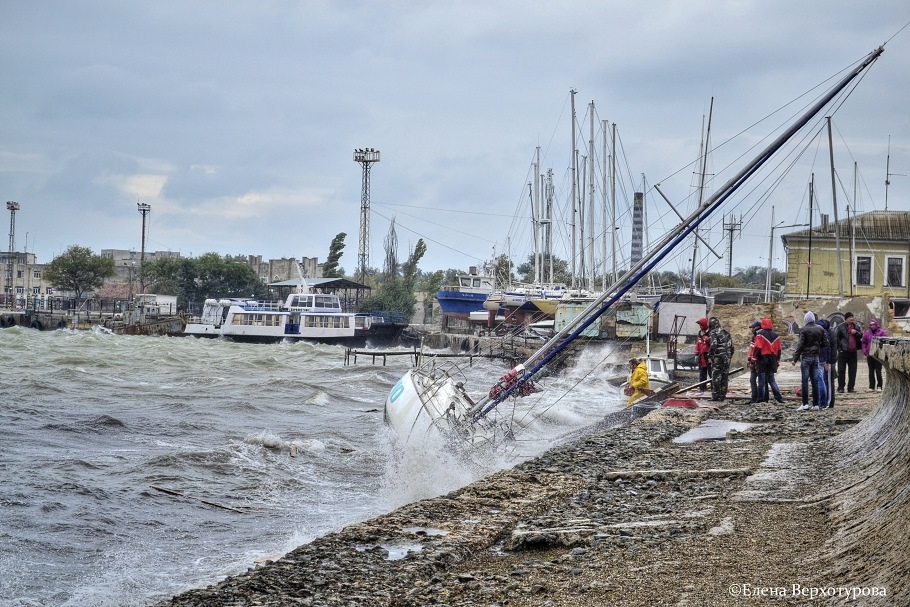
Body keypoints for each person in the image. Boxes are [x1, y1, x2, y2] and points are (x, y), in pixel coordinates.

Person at [792, 311, 828, 411]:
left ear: (805, 320)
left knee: (805, 381)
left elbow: (800, 345)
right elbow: (826, 342)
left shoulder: (803, 329)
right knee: (815, 381)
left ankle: (805, 404)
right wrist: (818, 348)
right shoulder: (820, 329)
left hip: (806, 357)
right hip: (816, 357)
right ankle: (816, 404)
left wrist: (795, 359)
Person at [754, 318, 785, 403]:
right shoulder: (776, 336)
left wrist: (754, 358)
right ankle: (778, 397)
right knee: (771, 380)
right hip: (773, 359)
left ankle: (761, 398)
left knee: (762, 379)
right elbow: (779, 349)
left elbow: (758, 347)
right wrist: (778, 359)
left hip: (763, 358)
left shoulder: (760, 335)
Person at [835, 311, 862, 393]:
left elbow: (861, 335)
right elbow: (836, 338)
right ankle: (841, 387)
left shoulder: (856, 326)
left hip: (853, 352)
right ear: (846, 319)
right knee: (841, 370)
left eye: (852, 317)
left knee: (853, 371)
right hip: (843, 352)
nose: (852, 318)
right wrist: (840, 348)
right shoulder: (840, 327)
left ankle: (851, 387)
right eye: (850, 317)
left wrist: (856, 332)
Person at [707, 317, 733, 401]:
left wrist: (710, 356)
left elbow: (713, 345)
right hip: (727, 358)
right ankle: (722, 395)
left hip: (718, 358)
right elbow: (731, 347)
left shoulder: (714, 332)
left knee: (716, 377)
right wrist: (729, 356)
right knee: (724, 377)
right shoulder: (726, 332)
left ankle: (716, 395)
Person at [861, 317, 888, 391]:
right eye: (871, 325)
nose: (872, 326)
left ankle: (879, 386)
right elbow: (864, 342)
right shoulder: (867, 333)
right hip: (870, 355)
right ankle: (871, 386)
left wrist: (882, 351)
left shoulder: (882, 332)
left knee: (878, 371)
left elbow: (885, 341)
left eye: (873, 325)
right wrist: (865, 351)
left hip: (878, 355)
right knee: (871, 371)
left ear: (876, 325)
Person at [816, 318, 837, 409]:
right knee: (825, 381)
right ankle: (825, 401)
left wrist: (828, 361)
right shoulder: (829, 333)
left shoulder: (827, 334)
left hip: (828, 361)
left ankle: (829, 402)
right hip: (826, 360)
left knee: (828, 381)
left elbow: (828, 349)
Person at [694, 317, 711, 391]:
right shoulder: (700, 333)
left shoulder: (710, 333)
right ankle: (702, 389)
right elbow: (698, 344)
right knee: (702, 374)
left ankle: (714, 389)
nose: (700, 327)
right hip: (701, 357)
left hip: (708, 356)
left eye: (701, 325)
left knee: (711, 374)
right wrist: (696, 354)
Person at [747, 320, 762, 402]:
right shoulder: (754, 337)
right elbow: (751, 349)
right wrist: (749, 359)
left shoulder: (760, 337)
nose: (751, 329)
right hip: (753, 362)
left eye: (752, 327)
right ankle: (754, 397)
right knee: (752, 380)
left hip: (758, 362)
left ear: (756, 327)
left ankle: (759, 397)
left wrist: (752, 360)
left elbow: (757, 350)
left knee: (759, 380)